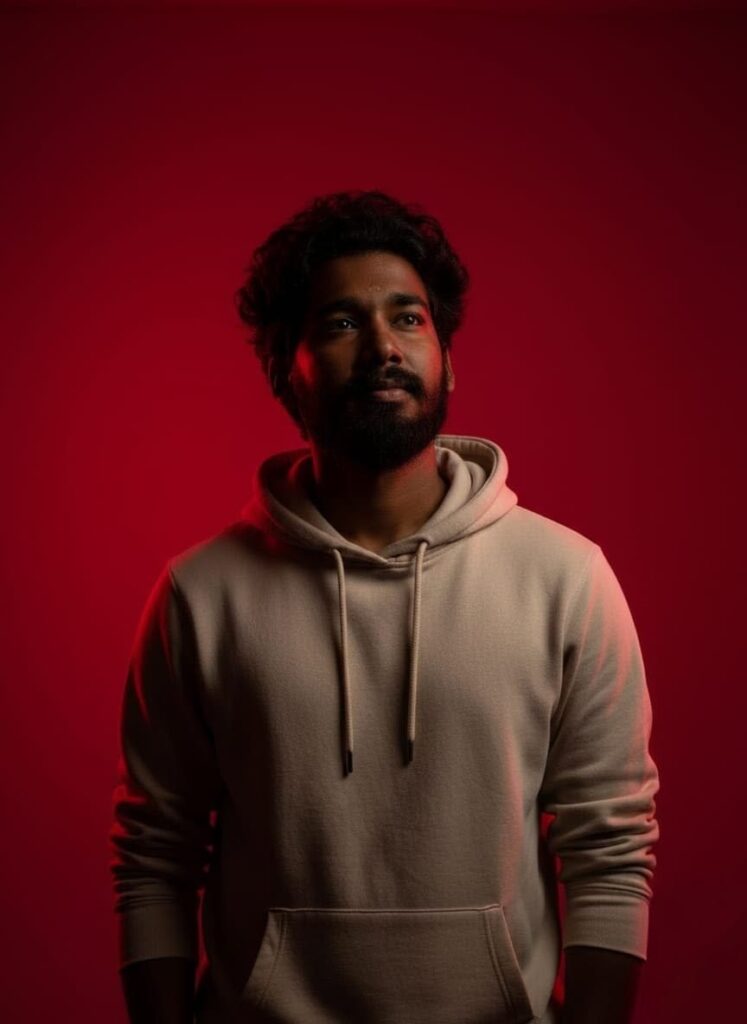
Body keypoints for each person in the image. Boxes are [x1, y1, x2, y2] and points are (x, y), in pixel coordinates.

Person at [110, 189, 660, 1024]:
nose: (382, 348)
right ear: (283, 371)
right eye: (340, 323)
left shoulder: (565, 578)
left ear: (446, 359)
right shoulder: (201, 595)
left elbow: (609, 850)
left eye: (408, 319)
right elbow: (155, 854)